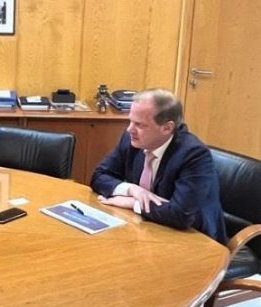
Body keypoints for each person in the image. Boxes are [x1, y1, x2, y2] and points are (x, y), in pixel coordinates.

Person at [90, 88, 227, 243]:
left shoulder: (193, 155)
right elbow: (99, 176)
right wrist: (132, 190)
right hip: (149, 229)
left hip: (195, 239)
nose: (130, 129)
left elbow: (181, 215)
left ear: (167, 128)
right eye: (130, 121)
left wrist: (134, 203)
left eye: (139, 124)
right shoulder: (131, 139)